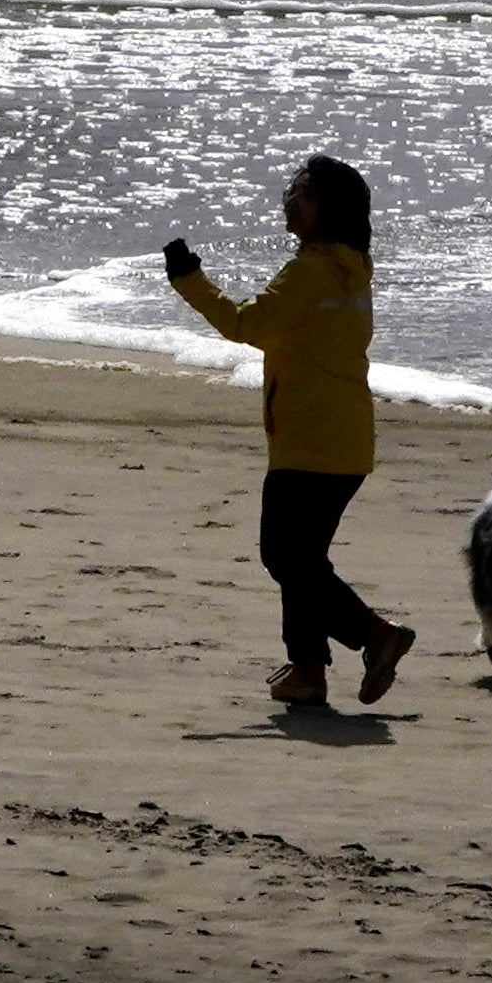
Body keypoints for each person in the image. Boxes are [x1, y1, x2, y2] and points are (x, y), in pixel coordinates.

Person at [165, 154, 420, 709]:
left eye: (303, 192)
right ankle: (307, 670)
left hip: (311, 441)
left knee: (288, 557)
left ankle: (374, 635)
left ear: (330, 207)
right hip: (342, 439)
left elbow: (244, 325)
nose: (290, 200)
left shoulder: (312, 270)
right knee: (302, 559)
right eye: (292, 189)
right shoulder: (348, 264)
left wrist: (188, 280)